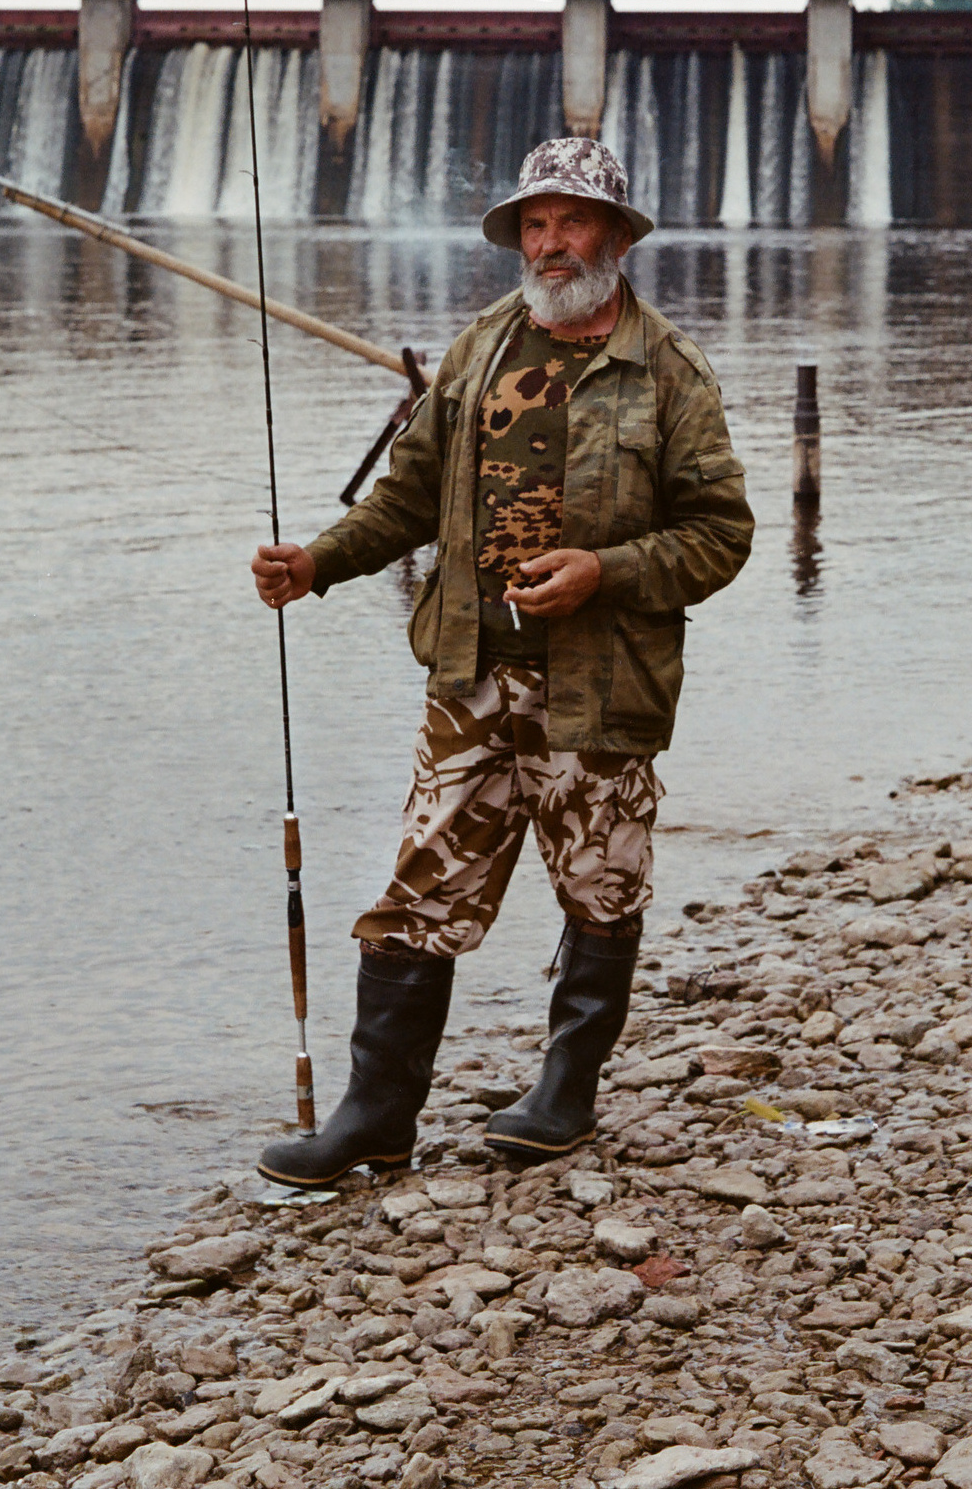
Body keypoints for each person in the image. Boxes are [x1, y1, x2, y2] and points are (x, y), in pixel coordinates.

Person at [248, 138, 754, 1181]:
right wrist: (316, 562)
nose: (550, 242)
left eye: (571, 222)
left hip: (601, 686)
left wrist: (603, 571)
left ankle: (563, 1096)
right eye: (534, 223)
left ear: (615, 236)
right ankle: (375, 1117)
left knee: (600, 890)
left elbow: (721, 534)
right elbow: (404, 499)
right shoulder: (479, 347)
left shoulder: (669, 370)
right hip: (470, 676)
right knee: (416, 893)